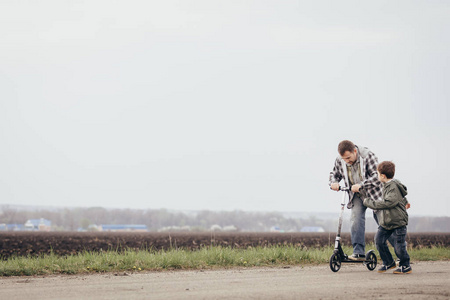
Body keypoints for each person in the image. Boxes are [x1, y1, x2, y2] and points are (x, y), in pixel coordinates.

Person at [329, 140, 382, 260]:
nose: (347, 161)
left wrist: (362, 185)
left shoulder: (368, 155)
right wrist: (334, 182)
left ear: (355, 151)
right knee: (355, 219)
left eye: (348, 157)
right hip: (356, 195)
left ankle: (400, 254)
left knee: (384, 223)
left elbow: (377, 176)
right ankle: (359, 252)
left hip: (374, 193)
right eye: (344, 159)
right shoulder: (340, 160)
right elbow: (334, 174)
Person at [363, 161, 412, 274]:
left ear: (383, 176)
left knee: (399, 245)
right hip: (387, 221)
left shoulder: (393, 186)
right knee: (379, 241)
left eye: (378, 174)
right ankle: (388, 262)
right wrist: (405, 201)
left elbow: (388, 203)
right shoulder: (387, 184)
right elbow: (399, 197)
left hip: (398, 221)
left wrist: (369, 202)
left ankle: (405, 265)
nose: (377, 175)